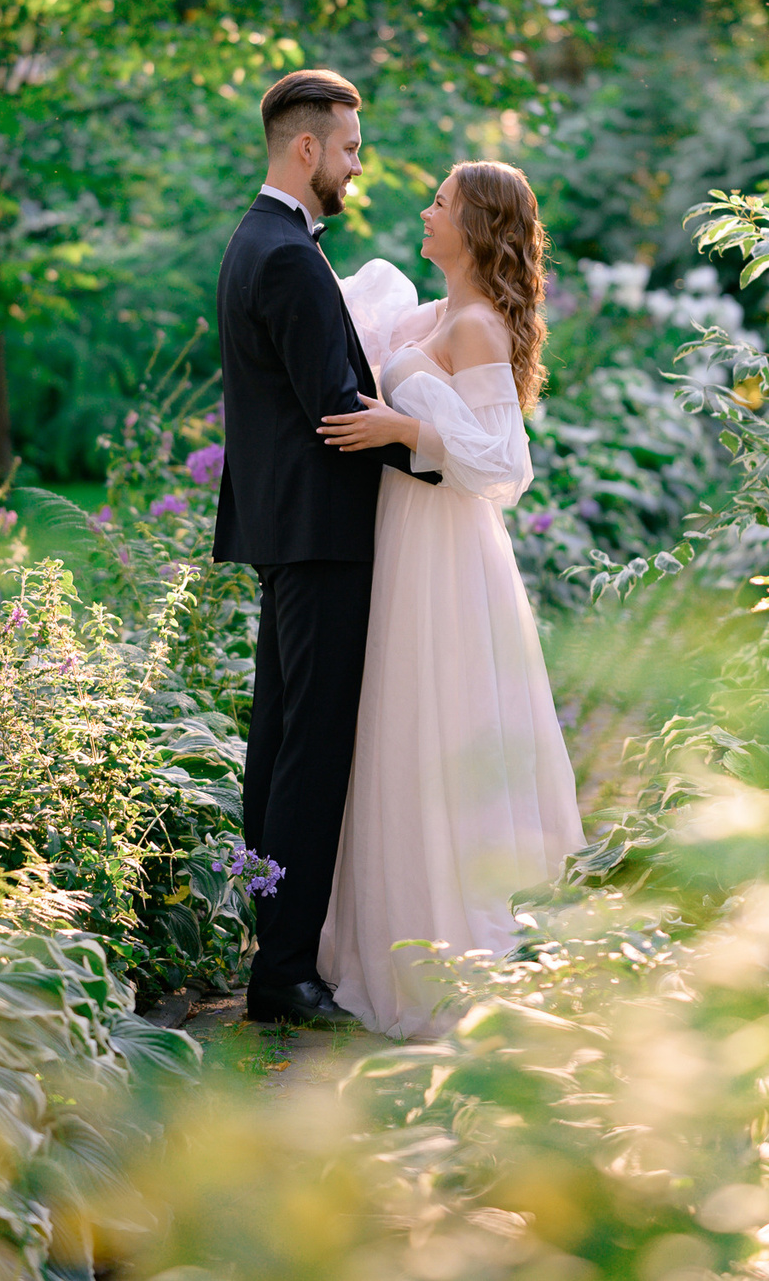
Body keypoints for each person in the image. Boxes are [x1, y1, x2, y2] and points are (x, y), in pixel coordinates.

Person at [313, 160, 587, 1038]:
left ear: (474, 227)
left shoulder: (477, 326)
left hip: (447, 546)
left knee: (442, 719)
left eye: (441, 203)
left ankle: (456, 946)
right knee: (395, 722)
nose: (425, 212)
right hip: (400, 533)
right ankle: (388, 930)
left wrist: (402, 426)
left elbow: (504, 462)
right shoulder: (426, 314)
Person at [213, 68, 433, 1026]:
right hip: (321, 534)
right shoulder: (289, 257)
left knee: (279, 739)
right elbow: (338, 413)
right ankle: (286, 972)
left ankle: (275, 946)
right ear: (306, 147)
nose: (355, 166)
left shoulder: (255, 241)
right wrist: (444, 452)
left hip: (288, 529)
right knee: (311, 749)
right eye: (348, 149)